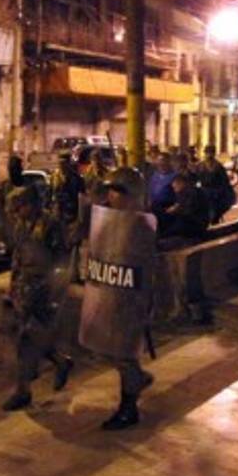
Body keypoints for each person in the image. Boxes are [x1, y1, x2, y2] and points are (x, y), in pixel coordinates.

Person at [92, 167, 155, 430]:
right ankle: (137, 379)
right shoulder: (111, 221)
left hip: (131, 299)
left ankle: (129, 407)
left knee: (124, 354)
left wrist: (147, 305)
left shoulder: (141, 225)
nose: (111, 196)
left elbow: (147, 269)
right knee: (110, 350)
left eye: (116, 191)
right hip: (112, 293)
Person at [1, 186, 73, 412]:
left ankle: (26, 388)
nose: (16, 213)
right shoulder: (22, 224)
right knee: (24, 338)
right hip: (24, 290)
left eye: (19, 207)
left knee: (29, 339)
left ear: (31, 204)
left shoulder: (50, 225)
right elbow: (18, 257)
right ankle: (56, 364)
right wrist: (12, 288)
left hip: (43, 291)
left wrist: (55, 294)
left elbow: (62, 262)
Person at [0, 154, 25, 253]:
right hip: (9, 232)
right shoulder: (4, 188)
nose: (13, 172)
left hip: (25, 232)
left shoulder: (28, 187)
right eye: (12, 169)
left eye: (16, 168)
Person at [161, 174, 210, 243]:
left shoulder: (187, 193)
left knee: (167, 233)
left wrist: (175, 210)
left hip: (194, 224)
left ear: (181, 183)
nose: (174, 189)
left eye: (175, 187)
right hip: (199, 222)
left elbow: (187, 210)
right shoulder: (193, 191)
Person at [196, 144, 236, 223]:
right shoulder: (200, 165)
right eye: (208, 152)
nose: (209, 155)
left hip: (216, 191)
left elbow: (224, 181)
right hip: (204, 190)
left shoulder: (218, 166)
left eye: (211, 152)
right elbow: (196, 177)